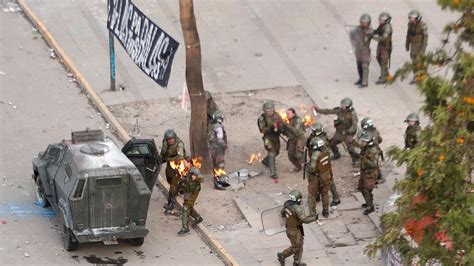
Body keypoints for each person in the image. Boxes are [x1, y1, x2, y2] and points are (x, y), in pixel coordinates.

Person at [314, 98, 359, 166]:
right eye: (341, 105)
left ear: (348, 107)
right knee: (331, 143)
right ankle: (336, 154)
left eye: (343, 105)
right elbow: (328, 111)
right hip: (340, 132)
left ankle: (355, 160)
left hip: (348, 134)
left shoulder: (352, 114)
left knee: (350, 148)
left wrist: (347, 131)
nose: (341, 106)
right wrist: (318, 110)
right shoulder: (339, 111)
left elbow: (354, 126)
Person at [277, 190, 317, 266]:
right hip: (294, 231)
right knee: (297, 247)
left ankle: (297, 262)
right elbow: (304, 220)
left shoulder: (287, 204)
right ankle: (283, 255)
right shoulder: (297, 208)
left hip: (290, 229)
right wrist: (314, 218)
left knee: (300, 244)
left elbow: (282, 213)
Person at [307, 122, 341, 206]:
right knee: (315, 180)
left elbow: (324, 153)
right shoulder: (314, 136)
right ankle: (317, 195)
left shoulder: (322, 141)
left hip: (322, 163)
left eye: (313, 130)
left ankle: (336, 198)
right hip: (315, 161)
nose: (311, 131)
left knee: (328, 180)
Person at [159, 129, 186, 213]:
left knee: (173, 186)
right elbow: (163, 153)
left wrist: (169, 159)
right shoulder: (165, 143)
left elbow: (181, 157)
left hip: (178, 166)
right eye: (168, 139)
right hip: (170, 166)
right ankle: (181, 188)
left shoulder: (179, 144)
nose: (170, 141)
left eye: (172, 139)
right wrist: (159, 159)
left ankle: (171, 203)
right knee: (169, 179)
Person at [258, 101, 285, 180]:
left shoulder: (277, 115)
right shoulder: (262, 118)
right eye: (268, 111)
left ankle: (266, 161)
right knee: (272, 153)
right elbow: (262, 130)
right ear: (265, 111)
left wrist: (280, 127)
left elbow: (281, 123)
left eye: (271, 110)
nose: (270, 112)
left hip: (276, 137)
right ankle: (273, 173)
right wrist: (271, 127)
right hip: (267, 137)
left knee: (277, 152)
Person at [307, 137, 333, 218]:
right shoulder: (327, 152)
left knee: (311, 195)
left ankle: (313, 214)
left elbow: (312, 169)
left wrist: (307, 167)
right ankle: (325, 211)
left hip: (317, 178)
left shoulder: (315, 155)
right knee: (325, 194)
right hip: (327, 175)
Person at [177, 157, 204, 234]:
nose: (184, 164)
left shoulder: (194, 170)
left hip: (194, 192)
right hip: (187, 191)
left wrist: (196, 177)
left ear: (189, 163)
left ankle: (185, 227)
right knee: (189, 206)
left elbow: (202, 179)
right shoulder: (185, 170)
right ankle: (198, 217)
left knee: (186, 207)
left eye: (185, 162)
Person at [356, 117, 385, 183]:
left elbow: (361, 145)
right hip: (376, 150)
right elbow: (380, 140)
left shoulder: (366, 135)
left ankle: (372, 179)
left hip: (369, 152)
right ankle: (379, 177)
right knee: (375, 165)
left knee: (370, 166)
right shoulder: (375, 131)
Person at [358, 132, 379, 215]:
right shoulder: (366, 148)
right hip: (364, 172)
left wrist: (364, 159)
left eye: (364, 141)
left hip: (370, 174)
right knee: (361, 188)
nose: (362, 142)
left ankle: (370, 207)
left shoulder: (373, 151)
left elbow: (374, 164)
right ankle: (368, 202)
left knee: (366, 189)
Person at [405, 10, 428, 84]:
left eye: (413, 18)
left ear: (417, 18)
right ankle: (416, 76)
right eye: (410, 18)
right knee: (414, 61)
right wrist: (407, 44)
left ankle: (422, 76)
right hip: (413, 45)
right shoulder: (410, 24)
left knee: (420, 61)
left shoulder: (423, 25)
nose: (411, 19)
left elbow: (425, 37)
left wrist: (423, 48)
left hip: (419, 45)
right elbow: (408, 35)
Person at [208, 110, 229, 190]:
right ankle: (219, 183)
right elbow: (220, 139)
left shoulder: (211, 125)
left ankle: (216, 180)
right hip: (218, 149)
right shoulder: (218, 127)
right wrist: (225, 145)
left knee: (214, 165)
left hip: (212, 148)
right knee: (220, 165)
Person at [352, 13, 373, 88]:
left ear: (368, 23)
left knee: (365, 66)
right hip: (358, 50)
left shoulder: (370, 31)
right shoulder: (358, 29)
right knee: (359, 66)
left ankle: (365, 82)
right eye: (363, 22)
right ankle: (361, 79)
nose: (364, 23)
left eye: (365, 22)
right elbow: (352, 35)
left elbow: (370, 37)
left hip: (365, 51)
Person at [373, 12, 393, 85]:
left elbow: (383, 38)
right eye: (380, 19)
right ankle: (386, 74)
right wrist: (370, 32)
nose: (380, 21)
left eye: (382, 20)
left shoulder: (387, 27)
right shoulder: (382, 25)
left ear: (386, 20)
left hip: (385, 46)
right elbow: (377, 31)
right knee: (378, 58)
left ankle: (383, 79)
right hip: (381, 46)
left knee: (383, 61)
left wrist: (373, 37)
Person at [284, 108, 306, 172]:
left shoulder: (298, 120)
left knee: (299, 155)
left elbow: (295, 130)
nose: (287, 115)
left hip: (300, 138)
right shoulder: (288, 120)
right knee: (290, 155)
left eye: (288, 113)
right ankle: (298, 167)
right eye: (286, 113)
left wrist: (286, 124)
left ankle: (307, 166)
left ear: (293, 113)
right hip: (292, 139)